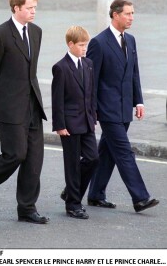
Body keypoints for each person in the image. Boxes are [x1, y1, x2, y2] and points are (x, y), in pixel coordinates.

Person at [0, 0, 49, 224]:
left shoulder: (36, 32)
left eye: (35, 8)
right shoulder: (0, 35)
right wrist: (0, 99)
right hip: (10, 106)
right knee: (15, 154)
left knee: (34, 159)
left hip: (33, 104)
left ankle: (27, 208)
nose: (33, 12)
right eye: (29, 8)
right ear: (16, 7)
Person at [87, 0, 159, 213]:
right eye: (128, 13)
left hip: (125, 107)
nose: (132, 18)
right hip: (107, 110)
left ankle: (92, 193)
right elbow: (91, 81)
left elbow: (133, 73)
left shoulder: (131, 40)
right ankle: (140, 198)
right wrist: (92, 111)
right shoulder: (98, 42)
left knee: (106, 153)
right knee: (124, 152)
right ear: (115, 14)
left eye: (133, 13)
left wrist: (138, 100)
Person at [52, 26, 99, 220]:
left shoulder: (88, 64)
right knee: (71, 164)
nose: (84, 49)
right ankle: (73, 204)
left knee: (93, 158)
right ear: (70, 44)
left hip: (87, 121)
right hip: (69, 124)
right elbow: (57, 99)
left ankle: (71, 192)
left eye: (86, 45)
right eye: (81, 45)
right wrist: (59, 125)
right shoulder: (61, 67)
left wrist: (93, 115)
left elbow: (91, 93)